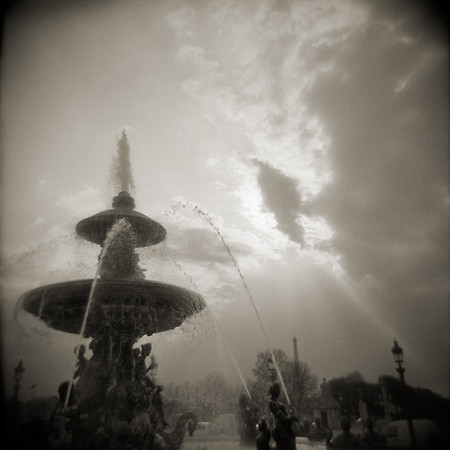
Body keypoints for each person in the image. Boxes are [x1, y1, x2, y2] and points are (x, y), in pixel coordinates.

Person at [268, 383, 298, 450]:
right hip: (281, 430)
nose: (279, 392)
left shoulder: (276, 402)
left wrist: (291, 413)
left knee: (291, 442)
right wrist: (293, 418)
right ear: (275, 392)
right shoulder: (272, 403)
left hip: (285, 428)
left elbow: (285, 415)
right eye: (278, 390)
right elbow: (282, 418)